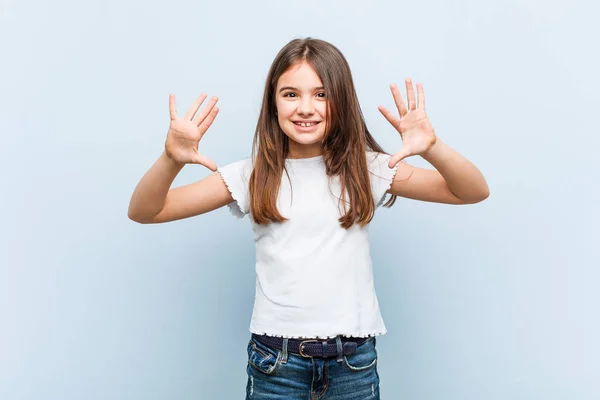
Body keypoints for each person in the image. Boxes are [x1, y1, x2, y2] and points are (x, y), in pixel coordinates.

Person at [128, 37, 489, 399]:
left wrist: (433, 146)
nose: (305, 108)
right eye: (290, 94)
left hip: (353, 364)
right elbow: (145, 211)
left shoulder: (368, 169)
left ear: (342, 102)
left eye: (321, 94)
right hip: (276, 363)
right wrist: (171, 159)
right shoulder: (250, 175)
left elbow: (471, 190)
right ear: (273, 102)